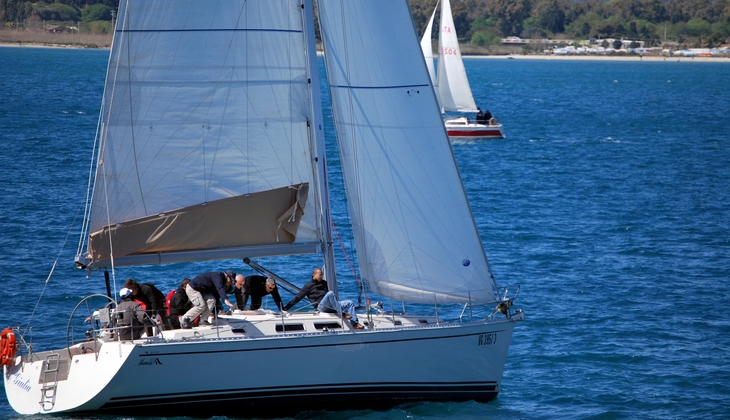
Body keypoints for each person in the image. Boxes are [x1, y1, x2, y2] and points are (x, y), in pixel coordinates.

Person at [283, 268, 363, 329]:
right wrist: (286, 307)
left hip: (332, 305)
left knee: (350, 303)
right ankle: (342, 313)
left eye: (322, 274)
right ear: (314, 275)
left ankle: (354, 323)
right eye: (320, 274)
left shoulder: (324, 283)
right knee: (330, 293)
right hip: (321, 306)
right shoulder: (308, 286)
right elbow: (298, 297)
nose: (321, 276)